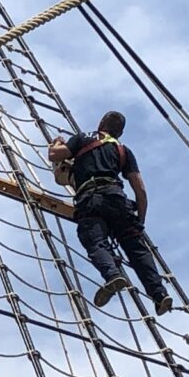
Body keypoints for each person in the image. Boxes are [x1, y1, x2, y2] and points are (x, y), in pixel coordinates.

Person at [48, 110, 172, 313]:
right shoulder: (123, 150)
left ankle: (113, 276)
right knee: (137, 249)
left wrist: (56, 143)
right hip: (118, 199)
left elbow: (55, 155)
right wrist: (138, 223)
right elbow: (140, 190)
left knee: (95, 241)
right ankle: (160, 294)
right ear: (119, 133)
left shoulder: (83, 138)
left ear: (100, 123)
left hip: (91, 198)